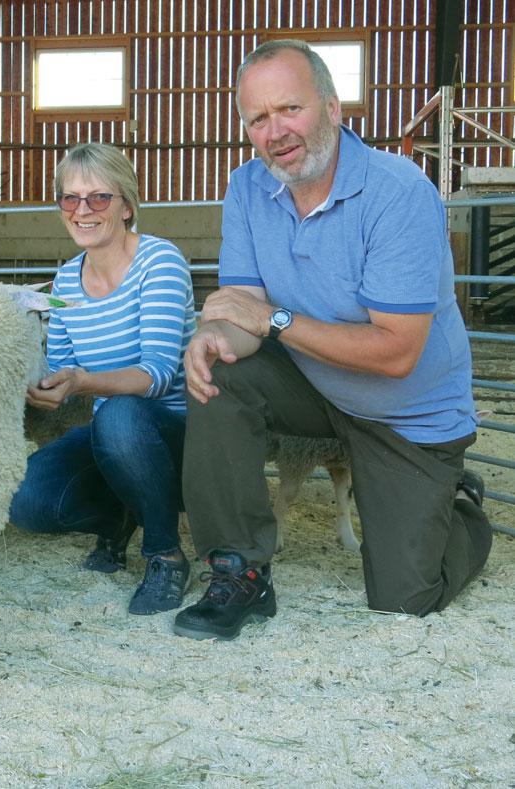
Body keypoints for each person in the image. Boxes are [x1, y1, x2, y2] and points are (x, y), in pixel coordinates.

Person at [171, 39, 493, 641]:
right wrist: (212, 335)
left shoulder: (396, 192)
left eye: (289, 109)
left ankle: (461, 508)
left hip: (407, 414)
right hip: (316, 383)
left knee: (404, 598)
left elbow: (397, 354)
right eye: (258, 119)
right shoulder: (247, 188)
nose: (276, 132)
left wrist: (274, 321)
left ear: (332, 107)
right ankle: (238, 571)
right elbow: (242, 310)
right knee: (217, 373)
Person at [9, 142, 198, 616]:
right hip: (112, 435)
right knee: (25, 498)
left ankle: (164, 553)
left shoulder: (160, 262)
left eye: (99, 198)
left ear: (127, 206)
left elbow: (156, 376)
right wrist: (44, 387)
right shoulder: (66, 281)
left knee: (120, 415)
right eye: (70, 199)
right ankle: (119, 516)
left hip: (177, 437)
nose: (82, 211)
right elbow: (63, 368)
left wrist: (80, 382)